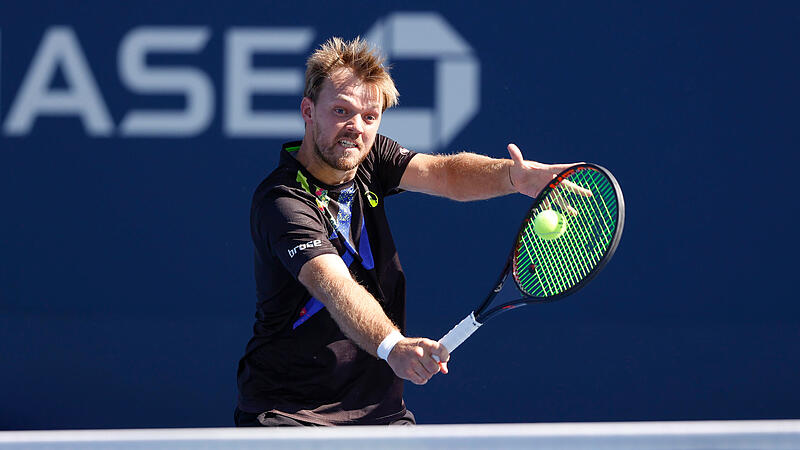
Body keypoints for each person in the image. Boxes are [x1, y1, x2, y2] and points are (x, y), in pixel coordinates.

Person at [235, 36, 579, 427]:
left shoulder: (371, 157)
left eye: (369, 116)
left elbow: (444, 173)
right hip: (291, 412)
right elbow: (335, 285)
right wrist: (392, 345)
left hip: (380, 413)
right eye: (340, 111)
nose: (355, 128)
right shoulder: (282, 200)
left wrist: (513, 177)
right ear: (308, 110)